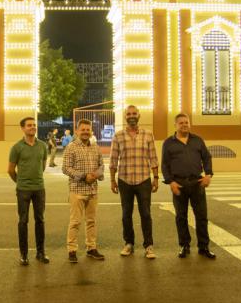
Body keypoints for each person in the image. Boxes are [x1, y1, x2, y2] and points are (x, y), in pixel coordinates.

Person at [161, 113, 216, 259]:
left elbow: (207, 157)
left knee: (202, 216)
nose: (184, 125)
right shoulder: (168, 143)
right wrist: (170, 182)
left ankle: (203, 247)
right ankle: (184, 246)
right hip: (179, 184)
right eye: (181, 123)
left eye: (186, 122)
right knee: (181, 217)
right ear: (175, 125)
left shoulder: (197, 140)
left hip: (197, 183)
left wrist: (208, 175)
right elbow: (165, 165)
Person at [110, 105, 159, 259]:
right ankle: (129, 243)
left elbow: (153, 158)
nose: (131, 116)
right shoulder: (118, 136)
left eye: (134, 113)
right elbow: (113, 159)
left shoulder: (148, 134)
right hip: (124, 180)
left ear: (139, 116)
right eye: (129, 114)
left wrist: (156, 178)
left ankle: (149, 245)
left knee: (145, 214)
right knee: (126, 214)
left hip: (143, 179)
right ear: (125, 117)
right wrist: (112, 180)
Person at [8, 117, 50, 266]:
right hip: (23, 190)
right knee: (23, 221)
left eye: (34, 125)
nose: (32, 127)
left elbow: (43, 166)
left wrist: (34, 178)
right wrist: (21, 182)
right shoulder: (17, 147)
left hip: (39, 188)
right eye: (29, 125)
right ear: (23, 128)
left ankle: (40, 252)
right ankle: (24, 254)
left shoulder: (43, 146)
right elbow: (11, 170)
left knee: (40, 220)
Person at [62, 119, 105, 263]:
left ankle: (91, 248)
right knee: (75, 222)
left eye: (88, 129)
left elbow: (101, 166)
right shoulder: (71, 147)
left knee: (91, 221)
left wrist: (96, 175)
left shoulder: (95, 147)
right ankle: (72, 250)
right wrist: (83, 176)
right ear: (77, 131)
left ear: (91, 131)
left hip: (93, 190)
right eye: (83, 129)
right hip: (77, 190)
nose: (86, 132)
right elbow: (66, 168)